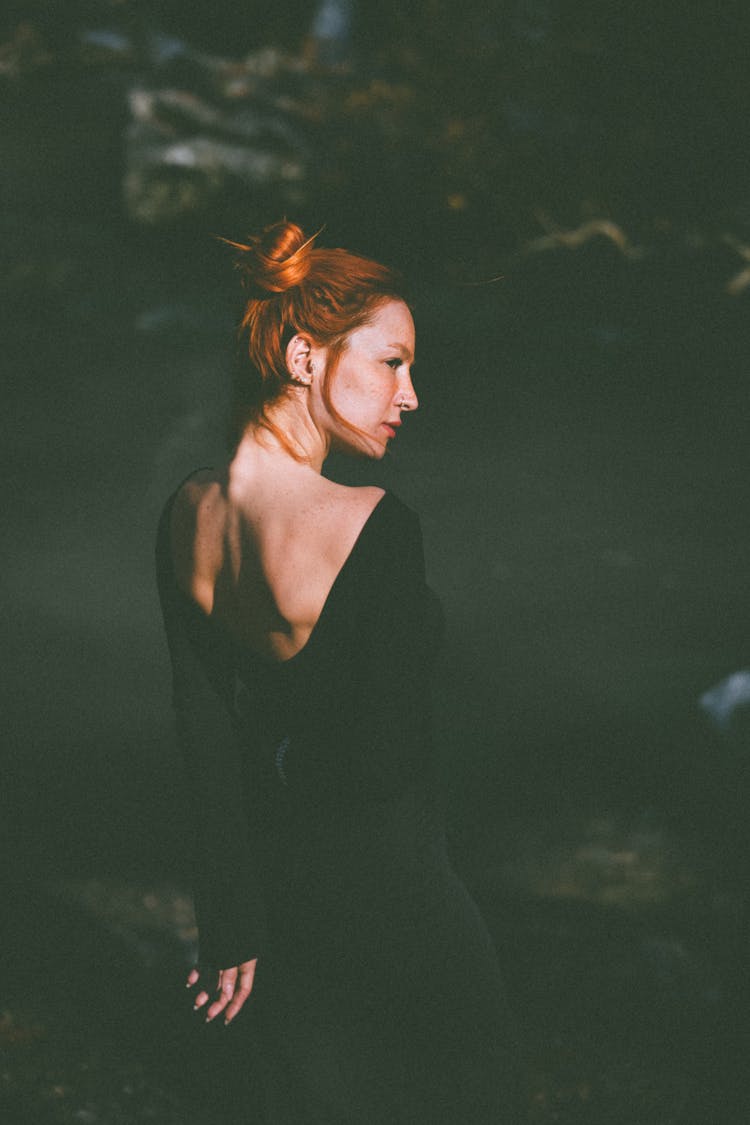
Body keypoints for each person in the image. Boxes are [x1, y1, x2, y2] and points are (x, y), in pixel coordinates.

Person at [156, 220, 520, 1122]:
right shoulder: (373, 523)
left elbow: (202, 728)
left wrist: (231, 915)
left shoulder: (189, 515)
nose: (412, 394)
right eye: (392, 362)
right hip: (403, 895)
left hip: (282, 900)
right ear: (303, 355)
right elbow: (388, 754)